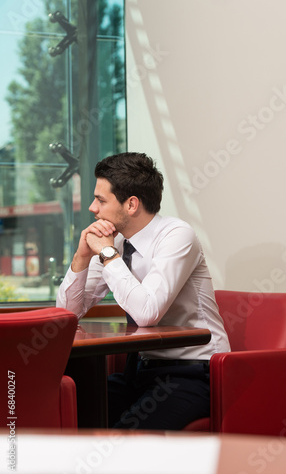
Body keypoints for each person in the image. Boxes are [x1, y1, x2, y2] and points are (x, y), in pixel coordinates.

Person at [56, 152, 230, 430]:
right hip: (140, 371)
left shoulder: (176, 235)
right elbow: (65, 315)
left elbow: (146, 313)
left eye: (101, 200)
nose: (92, 208)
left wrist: (107, 254)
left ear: (131, 204)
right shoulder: (115, 245)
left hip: (195, 371)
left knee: (121, 439)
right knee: (70, 413)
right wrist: (81, 258)